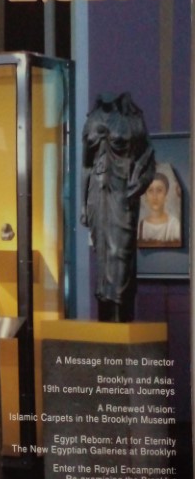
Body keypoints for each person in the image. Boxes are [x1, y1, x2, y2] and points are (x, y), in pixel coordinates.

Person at [80, 92, 155, 322]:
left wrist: (140, 183)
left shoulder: (132, 119)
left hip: (122, 191)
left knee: (120, 252)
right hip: (97, 191)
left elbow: (148, 156)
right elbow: (85, 166)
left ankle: (120, 312)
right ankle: (105, 312)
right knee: (102, 252)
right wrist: (83, 205)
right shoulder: (92, 120)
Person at [138, 172, 181, 245]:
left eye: (159, 190)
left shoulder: (174, 225)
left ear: (165, 195)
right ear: (146, 196)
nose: (155, 196)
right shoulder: (140, 227)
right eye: (150, 190)